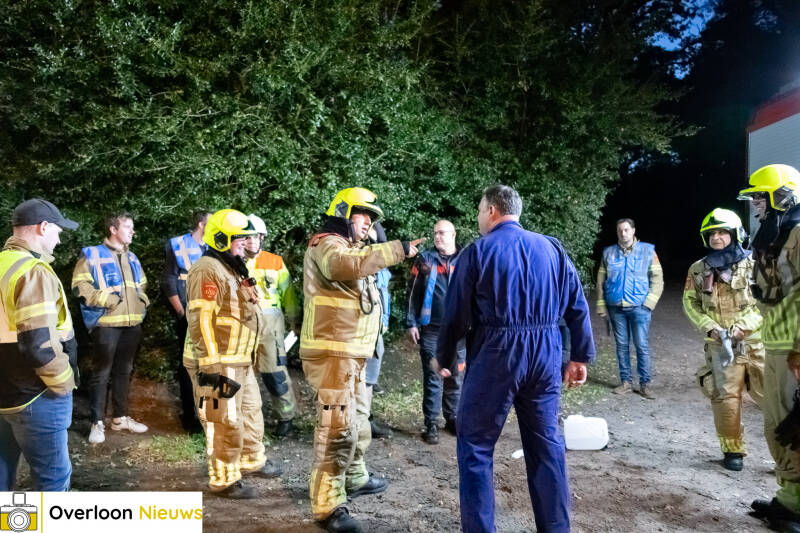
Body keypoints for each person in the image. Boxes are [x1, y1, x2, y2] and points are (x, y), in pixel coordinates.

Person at [435, 184, 594, 533]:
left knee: (475, 445)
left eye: (479, 210)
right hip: (545, 353)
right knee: (546, 446)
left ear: (493, 210)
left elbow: (456, 314)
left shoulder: (477, 252)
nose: (478, 218)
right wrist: (579, 355)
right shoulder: (552, 248)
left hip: (497, 353)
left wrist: (444, 355)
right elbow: (577, 304)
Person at [300, 187, 423, 533]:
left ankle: (352, 477)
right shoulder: (327, 244)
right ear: (342, 214)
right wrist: (397, 249)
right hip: (333, 354)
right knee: (335, 429)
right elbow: (345, 266)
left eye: (371, 218)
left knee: (354, 420)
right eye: (363, 215)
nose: (368, 222)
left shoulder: (351, 247)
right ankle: (328, 506)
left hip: (349, 353)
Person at [184, 209, 283, 499]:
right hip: (218, 361)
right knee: (222, 419)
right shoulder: (208, 268)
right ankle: (225, 478)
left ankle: (251, 460)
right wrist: (210, 364)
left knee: (251, 411)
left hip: (239, 359)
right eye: (239, 238)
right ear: (221, 238)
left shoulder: (232, 266)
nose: (245, 242)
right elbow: (201, 320)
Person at [0, 199, 78, 491]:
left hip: (4, 392)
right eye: (57, 231)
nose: (58, 239)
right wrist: (64, 383)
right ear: (43, 227)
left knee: (3, 473)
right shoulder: (33, 271)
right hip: (36, 395)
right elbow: (38, 346)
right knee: (52, 479)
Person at [738, 164, 800, 531]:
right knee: (780, 425)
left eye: (760, 197)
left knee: (794, 427)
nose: (756, 205)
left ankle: (794, 508)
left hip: (794, 347)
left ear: (782, 196)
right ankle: (789, 499)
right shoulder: (781, 234)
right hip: (778, 342)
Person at [681, 208, 764, 471]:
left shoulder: (757, 264)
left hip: (758, 343)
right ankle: (733, 451)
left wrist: (745, 326)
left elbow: (768, 301)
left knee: (775, 399)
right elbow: (690, 302)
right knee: (726, 398)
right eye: (711, 234)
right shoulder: (698, 269)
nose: (716, 238)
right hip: (720, 345)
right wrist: (711, 328)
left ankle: (790, 456)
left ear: (735, 234)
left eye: (722, 232)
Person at [72, 212, 149, 444]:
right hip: (106, 324)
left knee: (124, 372)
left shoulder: (132, 257)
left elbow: (142, 283)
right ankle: (97, 422)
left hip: (132, 324)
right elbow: (79, 286)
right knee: (101, 373)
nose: (132, 231)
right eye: (128, 227)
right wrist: (105, 300)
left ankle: (120, 417)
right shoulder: (92, 254)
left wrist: (143, 301)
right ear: (113, 229)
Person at [406, 219, 465, 444]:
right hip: (431, 330)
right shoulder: (425, 260)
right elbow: (412, 293)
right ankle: (431, 422)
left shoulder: (465, 259)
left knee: (456, 375)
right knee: (434, 375)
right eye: (435, 233)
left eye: (442, 233)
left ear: (453, 234)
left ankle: (453, 417)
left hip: (459, 330)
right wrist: (411, 322)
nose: (437, 237)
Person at [244, 213, 300, 437]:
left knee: (275, 373)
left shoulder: (275, 262)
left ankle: (286, 417)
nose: (251, 241)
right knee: (240, 373)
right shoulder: (233, 260)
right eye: (246, 237)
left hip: (271, 326)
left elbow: (289, 295)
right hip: (243, 325)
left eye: (255, 237)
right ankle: (243, 420)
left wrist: (295, 321)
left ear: (262, 238)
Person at [596, 217, 663, 399]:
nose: (623, 233)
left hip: (639, 307)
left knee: (641, 345)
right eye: (620, 231)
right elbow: (601, 280)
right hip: (615, 307)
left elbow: (657, 280)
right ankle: (626, 382)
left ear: (633, 231)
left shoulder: (648, 251)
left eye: (626, 230)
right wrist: (601, 304)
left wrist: (649, 303)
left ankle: (645, 384)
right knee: (621, 346)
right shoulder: (608, 253)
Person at [162, 209, 209, 432]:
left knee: (208, 365)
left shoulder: (214, 247)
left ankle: (208, 414)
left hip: (211, 318)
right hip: (188, 317)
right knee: (188, 367)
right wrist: (181, 312)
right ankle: (190, 418)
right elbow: (169, 280)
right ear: (201, 224)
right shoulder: (178, 245)